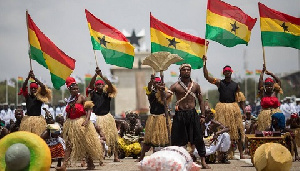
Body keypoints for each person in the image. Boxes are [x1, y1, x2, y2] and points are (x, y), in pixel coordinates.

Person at [203, 56, 246, 159]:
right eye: (225, 71)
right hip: (222, 109)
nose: (227, 72)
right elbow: (207, 77)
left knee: (238, 131)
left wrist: (243, 111)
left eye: (229, 71)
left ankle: (241, 153)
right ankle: (220, 153)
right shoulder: (219, 82)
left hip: (233, 109)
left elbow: (241, 99)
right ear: (223, 73)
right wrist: (204, 64)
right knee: (221, 129)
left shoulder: (236, 85)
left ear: (231, 72)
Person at [56, 77, 103, 171]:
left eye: (77, 88)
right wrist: (65, 124)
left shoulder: (81, 97)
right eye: (74, 89)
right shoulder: (69, 100)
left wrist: (87, 120)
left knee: (85, 144)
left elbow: (89, 108)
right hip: (71, 124)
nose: (76, 90)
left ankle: (90, 164)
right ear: (69, 89)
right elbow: (68, 114)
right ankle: (64, 166)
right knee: (69, 144)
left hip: (81, 123)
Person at [169, 63, 210, 169]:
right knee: (177, 139)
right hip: (180, 114)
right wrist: (161, 90)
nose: (186, 71)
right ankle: (177, 162)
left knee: (198, 138)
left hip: (192, 114)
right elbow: (166, 97)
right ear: (180, 71)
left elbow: (201, 101)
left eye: (188, 70)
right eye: (184, 70)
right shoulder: (175, 86)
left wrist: (203, 116)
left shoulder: (195, 85)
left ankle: (203, 162)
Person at [86, 67, 120, 162]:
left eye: (101, 84)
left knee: (113, 137)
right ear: (96, 87)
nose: (100, 85)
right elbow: (91, 85)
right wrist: (95, 75)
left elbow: (109, 84)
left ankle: (116, 156)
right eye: (98, 84)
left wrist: (102, 76)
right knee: (99, 138)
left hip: (107, 117)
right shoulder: (93, 94)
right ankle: (101, 156)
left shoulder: (107, 94)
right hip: (97, 118)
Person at [136, 75, 172, 162]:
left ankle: (169, 155)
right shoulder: (151, 93)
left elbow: (164, 98)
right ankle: (142, 156)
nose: (157, 84)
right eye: (156, 83)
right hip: (153, 118)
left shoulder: (166, 92)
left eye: (159, 82)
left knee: (166, 138)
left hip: (163, 118)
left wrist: (162, 89)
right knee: (148, 139)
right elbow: (148, 88)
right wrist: (150, 82)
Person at [18, 70, 51, 136]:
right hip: (27, 121)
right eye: (32, 88)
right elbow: (24, 88)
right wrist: (28, 77)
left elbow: (43, 88)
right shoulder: (27, 97)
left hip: (38, 121)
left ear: (37, 89)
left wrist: (35, 78)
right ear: (30, 89)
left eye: (35, 88)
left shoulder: (39, 97)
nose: (33, 89)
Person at [257, 64, 283, 131]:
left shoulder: (275, 92)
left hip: (276, 113)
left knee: (277, 129)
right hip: (265, 114)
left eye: (270, 86)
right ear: (265, 86)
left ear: (273, 86)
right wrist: (262, 71)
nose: (269, 87)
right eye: (267, 86)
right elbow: (260, 81)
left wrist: (271, 74)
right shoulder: (263, 93)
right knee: (266, 130)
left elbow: (279, 81)